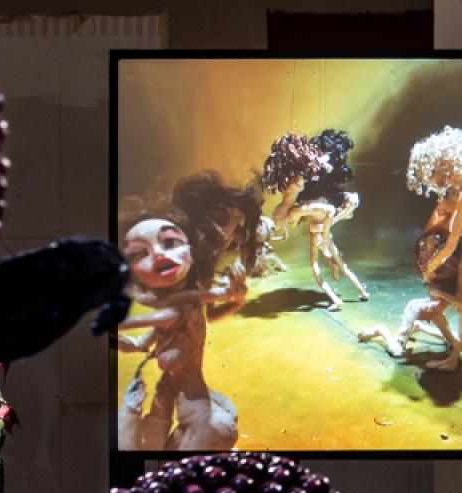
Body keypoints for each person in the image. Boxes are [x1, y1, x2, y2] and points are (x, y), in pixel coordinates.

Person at [114, 179, 259, 451]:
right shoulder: (184, 283)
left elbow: (204, 314)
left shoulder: (194, 282)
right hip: (183, 395)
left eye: (237, 226)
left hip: (191, 398)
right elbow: (163, 318)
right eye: (224, 221)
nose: (231, 233)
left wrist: (235, 300)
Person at [362, 115, 462, 367]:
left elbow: (453, 240)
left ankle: (454, 358)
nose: (434, 177)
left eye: (436, 170)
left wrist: (433, 265)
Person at [258, 127, 373, 304]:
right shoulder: (297, 204)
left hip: (321, 218)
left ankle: (349, 289)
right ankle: (349, 290)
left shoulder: (302, 204)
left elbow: (327, 211)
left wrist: (324, 230)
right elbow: (298, 218)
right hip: (316, 222)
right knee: (324, 261)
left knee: (330, 260)